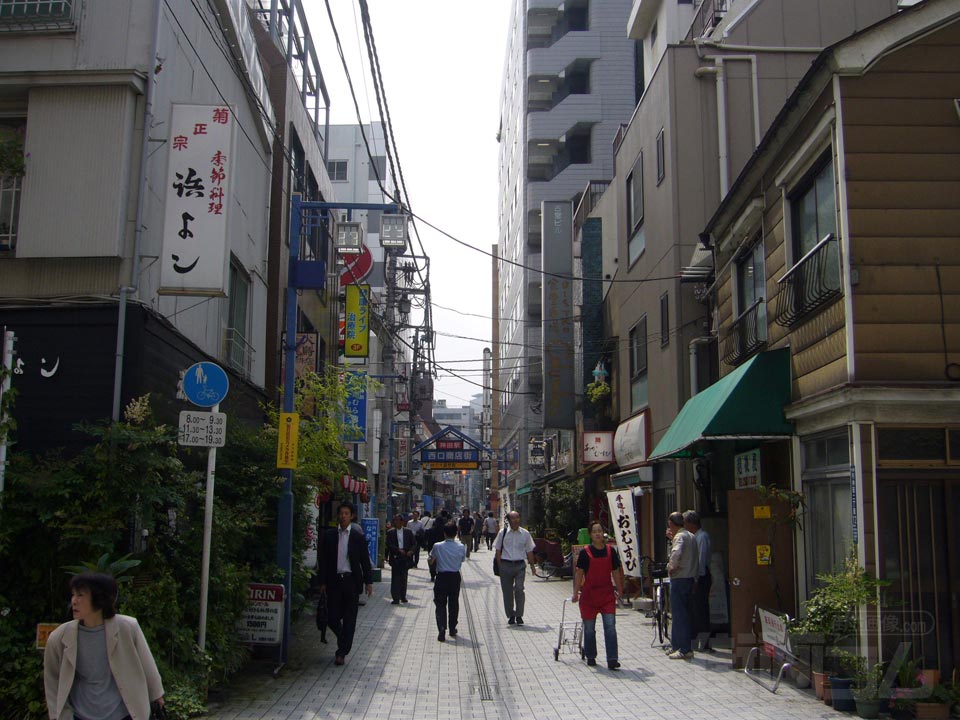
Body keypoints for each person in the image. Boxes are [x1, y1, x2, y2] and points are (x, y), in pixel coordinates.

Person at [44, 572, 164, 720]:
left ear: (99, 598)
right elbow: (52, 680)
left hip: (123, 713)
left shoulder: (127, 627)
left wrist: (157, 696)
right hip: (80, 714)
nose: (74, 601)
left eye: (81, 595)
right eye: (73, 594)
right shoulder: (59, 637)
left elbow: (147, 665)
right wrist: (56, 714)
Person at [318, 501, 374, 666]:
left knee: (350, 619)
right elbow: (324, 560)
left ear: (352, 516)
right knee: (332, 617)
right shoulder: (329, 536)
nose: (342, 516)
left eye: (346, 514)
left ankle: (341, 653)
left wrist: (368, 582)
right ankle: (344, 639)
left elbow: (364, 561)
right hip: (334, 581)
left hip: (351, 581)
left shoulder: (358, 537)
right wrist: (322, 581)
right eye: (341, 513)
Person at [571, 521, 625, 670]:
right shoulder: (585, 553)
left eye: (600, 531)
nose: (598, 534)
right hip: (589, 597)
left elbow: (615, 571)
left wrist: (620, 589)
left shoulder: (610, 551)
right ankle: (591, 656)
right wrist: (575, 593)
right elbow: (579, 573)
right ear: (590, 535)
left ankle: (612, 659)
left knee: (610, 627)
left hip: (607, 595)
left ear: (603, 534)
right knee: (589, 629)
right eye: (594, 531)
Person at [493, 510, 536, 625]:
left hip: (520, 565)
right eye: (513, 518)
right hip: (505, 565)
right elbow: (497, 550)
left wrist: (532, 565)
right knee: (507, 592)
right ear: (508, 520)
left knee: (519, 589)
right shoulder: (503, 533)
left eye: (517, 518)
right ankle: (511, 615)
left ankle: (519, 615)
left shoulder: (525, 534)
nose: (516, 520)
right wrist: (500, 566)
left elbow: (529, 550)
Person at [666, 510, 699, 660]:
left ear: (672, 524)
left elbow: (676, 553)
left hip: (679, 578)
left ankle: (684, 648)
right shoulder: (692, 536)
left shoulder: (679, 537)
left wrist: (671, 567)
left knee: (680, 615)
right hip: (691, 577)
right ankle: (678, 645)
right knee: (685, 613)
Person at [429, 522, 467, 642]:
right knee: (453, 603)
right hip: (455, 576)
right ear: (456, 533)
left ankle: (441, 628)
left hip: (441, 577)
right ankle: (452, 627)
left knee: (440, 603)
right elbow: (462, 559)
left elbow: (431, 560)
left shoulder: (437, 546)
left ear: (444, 533)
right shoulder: (461, 546)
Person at [683, 510, 713, 651]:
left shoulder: (702, 537)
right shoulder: (695, 537)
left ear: (691, 523)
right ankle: (697, 641)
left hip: (700, 576)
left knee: (701, 609)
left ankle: (705, 642)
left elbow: (700, 561)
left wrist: (696, 580)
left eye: (685, 523)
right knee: (696, 609)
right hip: (696, 575)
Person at [385, 513, 414, 604]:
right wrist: (397, 550)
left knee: (404, 577)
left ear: (402, 522)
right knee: (395, 578)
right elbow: (389, 544)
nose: (396, 522)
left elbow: (414, 543)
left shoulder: (408, 532)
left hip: (405, 556)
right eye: (395, 520)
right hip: (395, 556)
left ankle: (403, 596)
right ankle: (395, 598)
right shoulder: (390, 532)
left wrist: (411, 551)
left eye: (398, 520)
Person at [424, 510, 448, 583]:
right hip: (442, 548)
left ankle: (432, 575)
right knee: (441, 561)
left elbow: (425, 537)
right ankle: (440, 574)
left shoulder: (431, 530)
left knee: (432, 562)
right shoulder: (445, 530)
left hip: (432, 548)